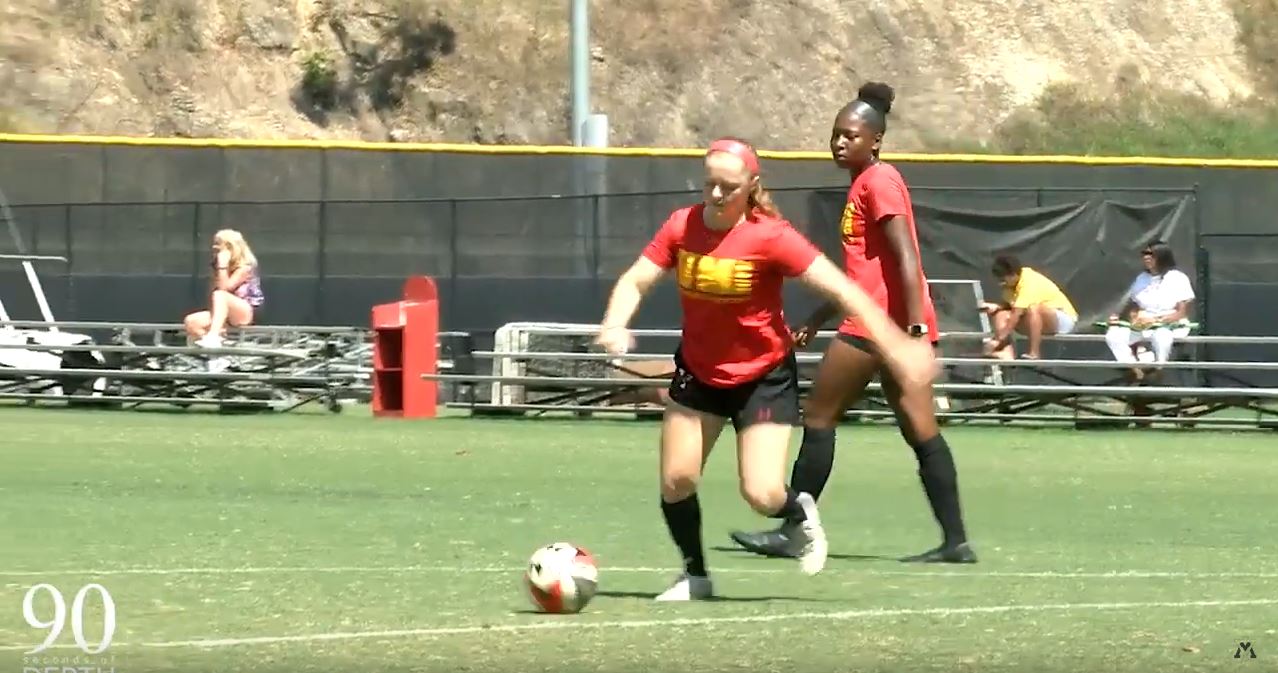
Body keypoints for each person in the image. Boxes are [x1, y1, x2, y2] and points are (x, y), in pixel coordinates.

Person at [596, 136, 939, 601]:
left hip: (763, 377)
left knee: (761, 494)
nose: (716, 195)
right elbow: (637, 278)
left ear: (752, 185)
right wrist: (615, 324)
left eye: (729, 187)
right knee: (677, 479)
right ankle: (695, 576)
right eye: (709, 184)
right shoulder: (682, 226)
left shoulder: (771, 236)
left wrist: (897, 343)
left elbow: (846, 291)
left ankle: (798, 512)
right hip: (699, 372)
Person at [729, 82, 976, 564]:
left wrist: (915, 334)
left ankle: (791, 531)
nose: (840, 143)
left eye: (850, 135)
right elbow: (864, 272)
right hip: (892, 323)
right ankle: (956, 541)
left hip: (880, 326)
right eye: (835, 135)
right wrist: (822, 316)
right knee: (922, 432)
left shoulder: (879, 182)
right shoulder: (863, 183)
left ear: (875, 140)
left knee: (819, 417)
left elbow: (906, 259)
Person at [1104, 241, 1195, 380]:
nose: (1146, 257)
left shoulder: (1178, 278)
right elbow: (1135, 306)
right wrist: (1132, 318)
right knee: (1113, 335)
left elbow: (1181, 312)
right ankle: (1135, 371)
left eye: (1151, 254)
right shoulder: (1141, 278)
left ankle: (1158, 371)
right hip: (1143, 324)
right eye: (1144, 254)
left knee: (1162, 336)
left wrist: (1155, 320)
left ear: (1162, 256)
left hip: (1169, 324)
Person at [981, 254, 1078, 360]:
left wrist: (997, 340)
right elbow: (1010, 305)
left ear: (1013, 275)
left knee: (1034, 308)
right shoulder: (1010, 286)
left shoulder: (1029, 282)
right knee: (1001, 314)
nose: (1001, 282)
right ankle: (1006, 353)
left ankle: (1034, 353)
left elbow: (1016, 313)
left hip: (1063, 319)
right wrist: (997, 307)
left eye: (1003, 278)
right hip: (1036, 320)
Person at [184, 228, 264, 348]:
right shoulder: (219, 268)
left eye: (218, 244)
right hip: (224, 314)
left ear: (231, 248)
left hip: (244, 312)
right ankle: (217, 350)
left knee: (220, 295)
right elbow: (213, 295)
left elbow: (224, 288)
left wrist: (223, 266)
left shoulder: (245, 268)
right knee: (191, 321)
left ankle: (213, 336)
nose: (214, 248)